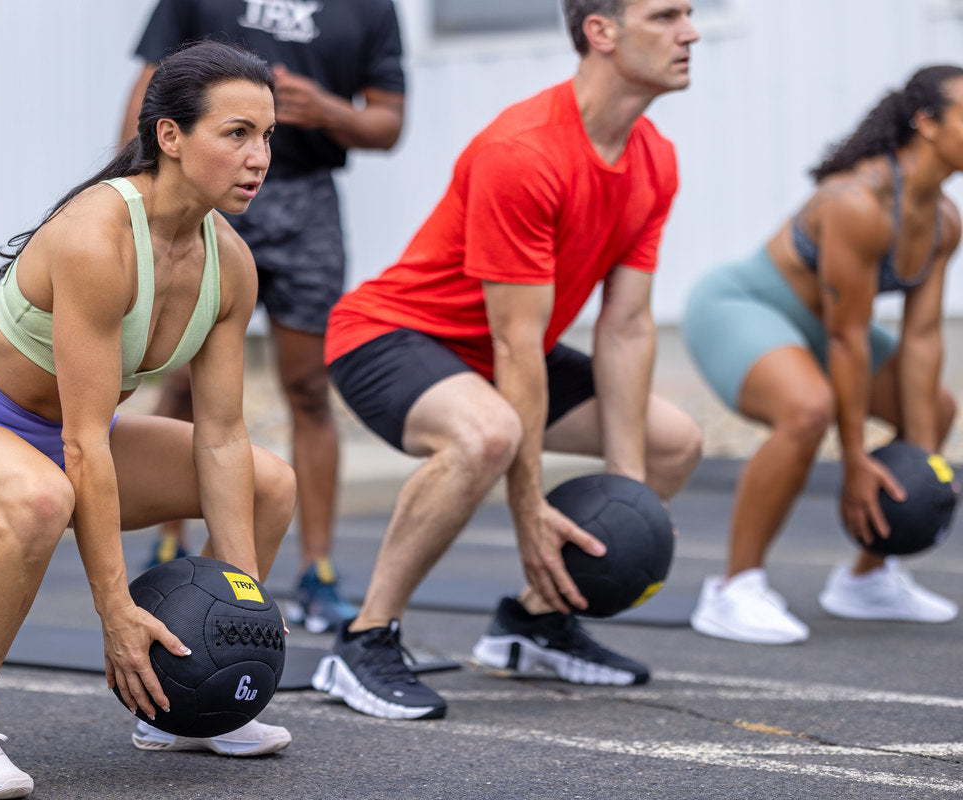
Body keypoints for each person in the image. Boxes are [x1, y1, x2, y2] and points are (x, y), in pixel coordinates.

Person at [0, 41, 298, 798]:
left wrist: (243, 616)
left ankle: (186, 702)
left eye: (267, 136)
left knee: (269, 480)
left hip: (70, 441)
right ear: (170, 136)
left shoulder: (230, 263)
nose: (258, 156)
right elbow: (81, 440)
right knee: (42, 496)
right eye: (236, 133)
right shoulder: (97, 237)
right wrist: (116, 612)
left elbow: (224, 437)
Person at [310, 0, 703, 721]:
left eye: (689, 14)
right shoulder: (524, 151)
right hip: (388, 335)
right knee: (488, 433)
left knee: (674, 440)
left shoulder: (655, 160)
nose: (691, 31)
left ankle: (534, 622)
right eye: (666, 15)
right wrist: (528, 513)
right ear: (602, 32)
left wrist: (631, 493)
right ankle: (364, 639)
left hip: (498, 350)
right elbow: (517, 345)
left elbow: (627, 325)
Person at [119, 0, 406, 636]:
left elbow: (389, 123)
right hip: (199, 187)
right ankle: (170, 543)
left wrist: (327, 111)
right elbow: (151, 90)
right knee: (177, 375)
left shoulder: (371, 8)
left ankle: (317, 571)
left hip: (305, 204)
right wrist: (130, 197)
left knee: (309, 386)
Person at [682, 64, 963, 645]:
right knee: (808, 409)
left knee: (934, 409)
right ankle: (734, 587)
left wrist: (921, 453)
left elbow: (923, 337)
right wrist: (855, 457)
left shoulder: (943, 221)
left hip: (825, 326)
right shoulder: (855, 202)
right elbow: (848, 338)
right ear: (927, 124)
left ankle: (867, 578)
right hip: (743, 307)